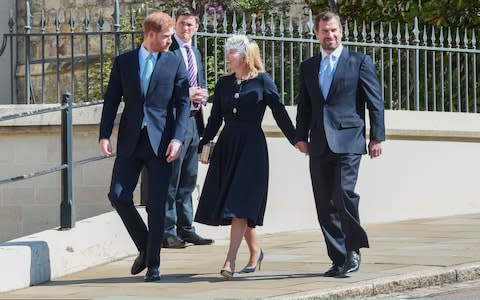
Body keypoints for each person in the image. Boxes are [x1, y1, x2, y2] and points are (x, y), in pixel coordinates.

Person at [194, 34, 296, 279]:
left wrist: (297, 139)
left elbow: (279, 111)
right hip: (228, 146)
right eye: (227, 51)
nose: (227, 56)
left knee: (238, 205)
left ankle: (229, 261)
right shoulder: (223, 84)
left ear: (246, 55)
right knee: (236, 203)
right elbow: (215, 118)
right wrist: (203, 143)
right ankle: (255, 251)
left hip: (252, 149)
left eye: (232, 52)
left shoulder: (263, 81)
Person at [98, 11, 190, 282]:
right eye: (166, 36)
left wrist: (177, 138)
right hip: (130, 141)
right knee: (118, 196)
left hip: (162, 143)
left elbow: (183, 103)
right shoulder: (124, 61)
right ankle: (146, 245)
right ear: (150, 35)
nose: (171, 40)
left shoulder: (174, 61)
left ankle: (153, 265)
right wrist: (104, 135)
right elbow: (112, 100)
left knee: (157, 205)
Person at [295, 11, 385, 278]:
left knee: (343, 193)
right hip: (319, 143)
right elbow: (305, 105)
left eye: (334, 30)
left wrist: (377, 136)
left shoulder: (359, 61)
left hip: (349, 140)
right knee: (324, 202)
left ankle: (354, 250)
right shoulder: (308, 66)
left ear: (341, 32)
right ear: (316, 34)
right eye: (324, 31)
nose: (330, 35)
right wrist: (300, 136)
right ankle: (338, 257)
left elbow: (374, 101)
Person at [162, 7, 213, 248]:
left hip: (194, 120)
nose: (186, 29)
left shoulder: (196, 52)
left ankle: (186, 227)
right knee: (172, 178)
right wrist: (185, 93)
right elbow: (158, 89)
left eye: (190, 25)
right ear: (175, 26)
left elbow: (196, 81)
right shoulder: (166, 51)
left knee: (189, 179)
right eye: (182, 24)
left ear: (197, 27)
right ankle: (167, 230)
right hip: (174, 123)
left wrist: (202, 94)